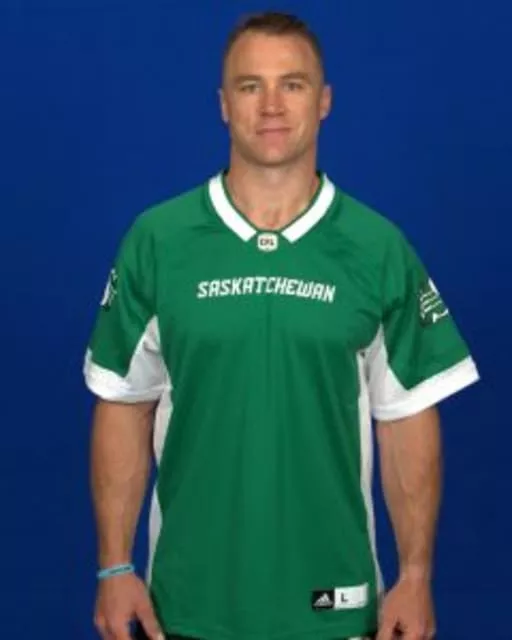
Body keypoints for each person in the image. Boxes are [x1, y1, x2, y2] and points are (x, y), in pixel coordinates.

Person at [83, 11, 479, 640]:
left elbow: (405, 417)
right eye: (250, 86)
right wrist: (114, 565)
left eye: (292, 84)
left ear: (324, 101)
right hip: (186, 607)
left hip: (334, 604)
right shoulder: (158, 241)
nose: (271, 105)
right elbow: (123, 403)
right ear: (223, 104)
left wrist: (415, 575)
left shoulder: (377, 248)